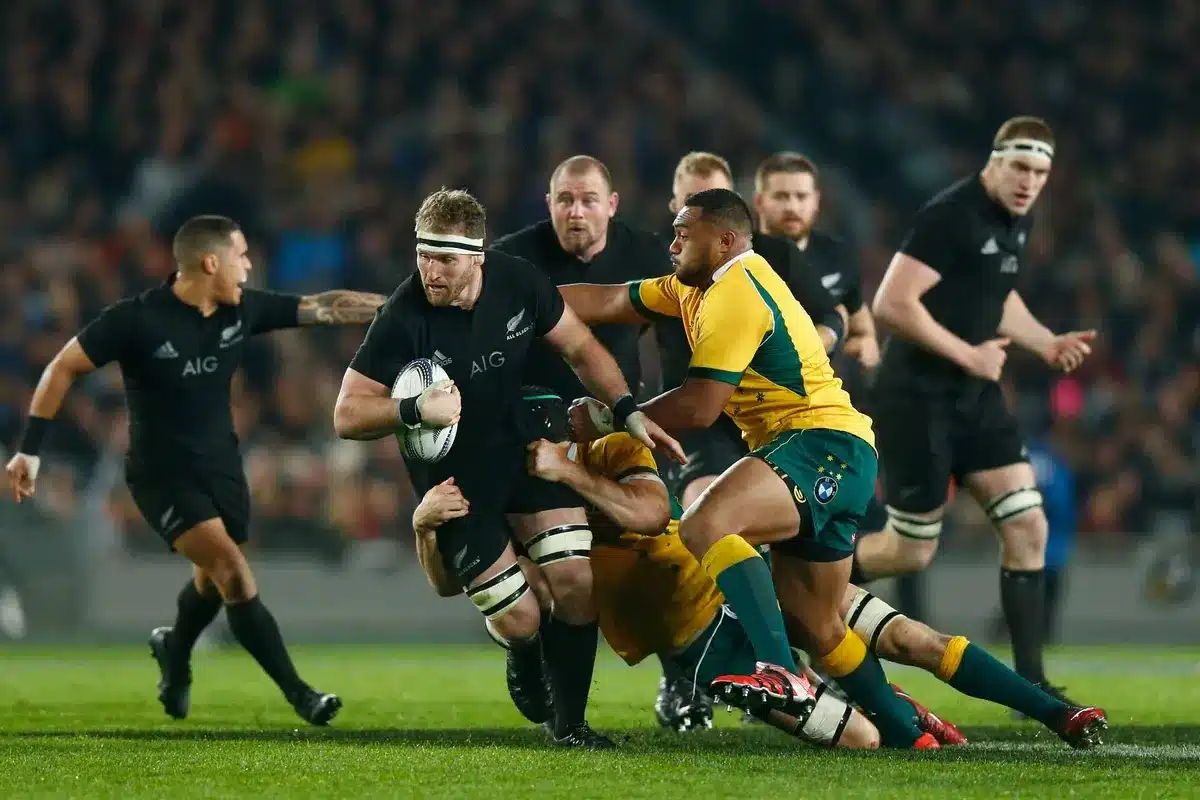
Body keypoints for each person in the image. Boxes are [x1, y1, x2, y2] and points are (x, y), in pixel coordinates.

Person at [561, 188, 936, 749]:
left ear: (725, 239)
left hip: (811, 443)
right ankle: (913, 728)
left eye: (684, 233)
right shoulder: (692, 287)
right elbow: (609, 299)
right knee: (820, 619)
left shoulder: (737, 289)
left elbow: (700, 405)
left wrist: (615, 418)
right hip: (795, 445)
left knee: (706, 524)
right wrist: (525, 298)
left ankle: (777, 669)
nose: (672, 243)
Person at [331, 188, 682, 749]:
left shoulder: (520, 283)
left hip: (522, 445)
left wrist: (626, 410)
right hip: (453, 479)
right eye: (423, 254)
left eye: (445, 258)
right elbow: (347, 413)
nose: (430, 270)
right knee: (520, 617)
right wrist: (414, 409)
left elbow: (582, 348)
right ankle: (524, 651)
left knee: (575, 581)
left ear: (477, 256)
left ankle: (570, 727)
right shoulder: (404, 315)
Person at [5, 215, 389, 725]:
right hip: (161, 476)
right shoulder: (137, 320)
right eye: (241, 255)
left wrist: (392, 306)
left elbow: (321, 307)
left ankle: (176, 649)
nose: (250, 266)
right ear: (211, 262)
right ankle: (301, 694)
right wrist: (29, 450)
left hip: (222, 470)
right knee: (232, 570)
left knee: (211, 578)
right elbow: (63, 368)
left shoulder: (242, 310)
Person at [413, 389, 908, 750]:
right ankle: (530, 658)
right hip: (698, 641)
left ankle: (916, 726)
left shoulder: (611, 449)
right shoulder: (513, 499)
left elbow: (649, 516)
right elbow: (449, 585)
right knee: (857, 738)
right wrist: (424, 529)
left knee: (890, 641)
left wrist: (567, 473)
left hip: (737, 585)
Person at [853, 116, 1097, 697]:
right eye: (1019, 167)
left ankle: (1031, 684)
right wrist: (969, 354)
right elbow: (891, 303)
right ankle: (791, 573)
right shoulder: (949, 215)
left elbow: (995, 291)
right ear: (994, 161)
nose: (1028, 181)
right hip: (917, 396)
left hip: (973, 395)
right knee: (911, 550)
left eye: (1039, 172)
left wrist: (1043, 341)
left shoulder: (1016, 218)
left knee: (1029, 524)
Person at [650, 151, 848, 731]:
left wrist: (822, 344)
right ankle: (690, 674)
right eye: (688, 205)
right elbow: (618, 307)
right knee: (705, 516)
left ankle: (797, 662)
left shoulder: (772, 259)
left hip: (774, 424)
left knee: (880, 554)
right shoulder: (671, 260)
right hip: (702, 429)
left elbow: (837, 311)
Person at [492, 155, 671, 401]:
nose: (576, 212)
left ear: (612, 205)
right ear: (549, 204)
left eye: (589, 201)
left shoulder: (646, 252)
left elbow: (673, 329)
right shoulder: (510, 257)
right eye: (565, 200)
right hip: (535, 421)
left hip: (619, 418)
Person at [753, 152, 880, 372]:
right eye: (781, 197)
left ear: (816, 200)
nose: (792, 207)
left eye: (801, 196)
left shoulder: (838, 255)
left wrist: (866, 344)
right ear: (759, 201)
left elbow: (863, 329)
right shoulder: (739, 258)